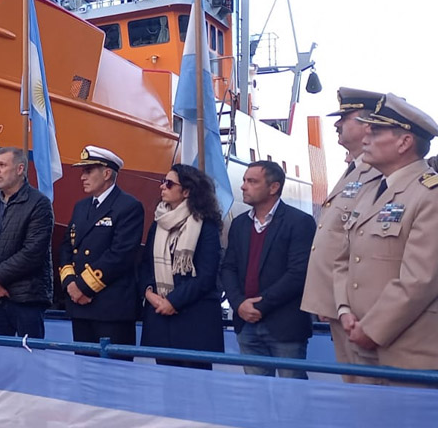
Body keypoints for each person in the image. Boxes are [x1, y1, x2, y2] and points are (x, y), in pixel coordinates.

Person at [334, 94, 438, 384]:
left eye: (376, 131)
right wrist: (343, 311)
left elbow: (420, 279)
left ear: (404, 142)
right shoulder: (369, 192)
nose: (366, 138)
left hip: (405, 349)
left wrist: (372, 329)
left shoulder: (430, 195)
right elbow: (344, 259)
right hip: (357, 340)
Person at [300, 88, 383, 377]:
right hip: (340, 304)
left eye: (345, 118)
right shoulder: (354, 170)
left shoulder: (378, 173)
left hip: (358, 308)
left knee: (368, 385)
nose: (336, 124)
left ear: (368, 124)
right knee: (353, 382)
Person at [220, 160, 315, 378]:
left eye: (252, 181)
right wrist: (239, 304)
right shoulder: (240, 224)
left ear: (273, 188)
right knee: (256, 396)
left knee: (291, 395)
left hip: (285, 326)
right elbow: (228, 267)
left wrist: (260, 305)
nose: (243, 186)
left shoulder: (299, 222)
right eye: (244, 180)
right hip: (246, 324)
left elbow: (298, 273)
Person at [139, 164, 225, 369]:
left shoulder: (206, 225)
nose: (162, 187)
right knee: (167, 388)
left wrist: (173, 302)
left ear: (186, 191)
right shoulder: (158, 223)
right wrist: (149, 293)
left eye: (169, 184)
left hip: (194, 322)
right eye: (163, 182)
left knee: (195, 389)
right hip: (161, 318)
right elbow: (145, 266)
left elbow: (206, 276)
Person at [59, 146, 144, 353]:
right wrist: (70, 284)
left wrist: (83, 287)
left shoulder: (128, 207)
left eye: (88, 171)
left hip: (110, 307)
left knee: (115, 374)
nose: (82, 177)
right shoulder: (81, 206)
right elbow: (67, 247)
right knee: (84, 371)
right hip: (80, 306)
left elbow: (120, 255)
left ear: (107, 173)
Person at [0, 146, 54, 338]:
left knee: (29, 361)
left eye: (2, 165)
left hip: (26, 299)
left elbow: (33, 252)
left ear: (20, 169)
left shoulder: (39, 204)